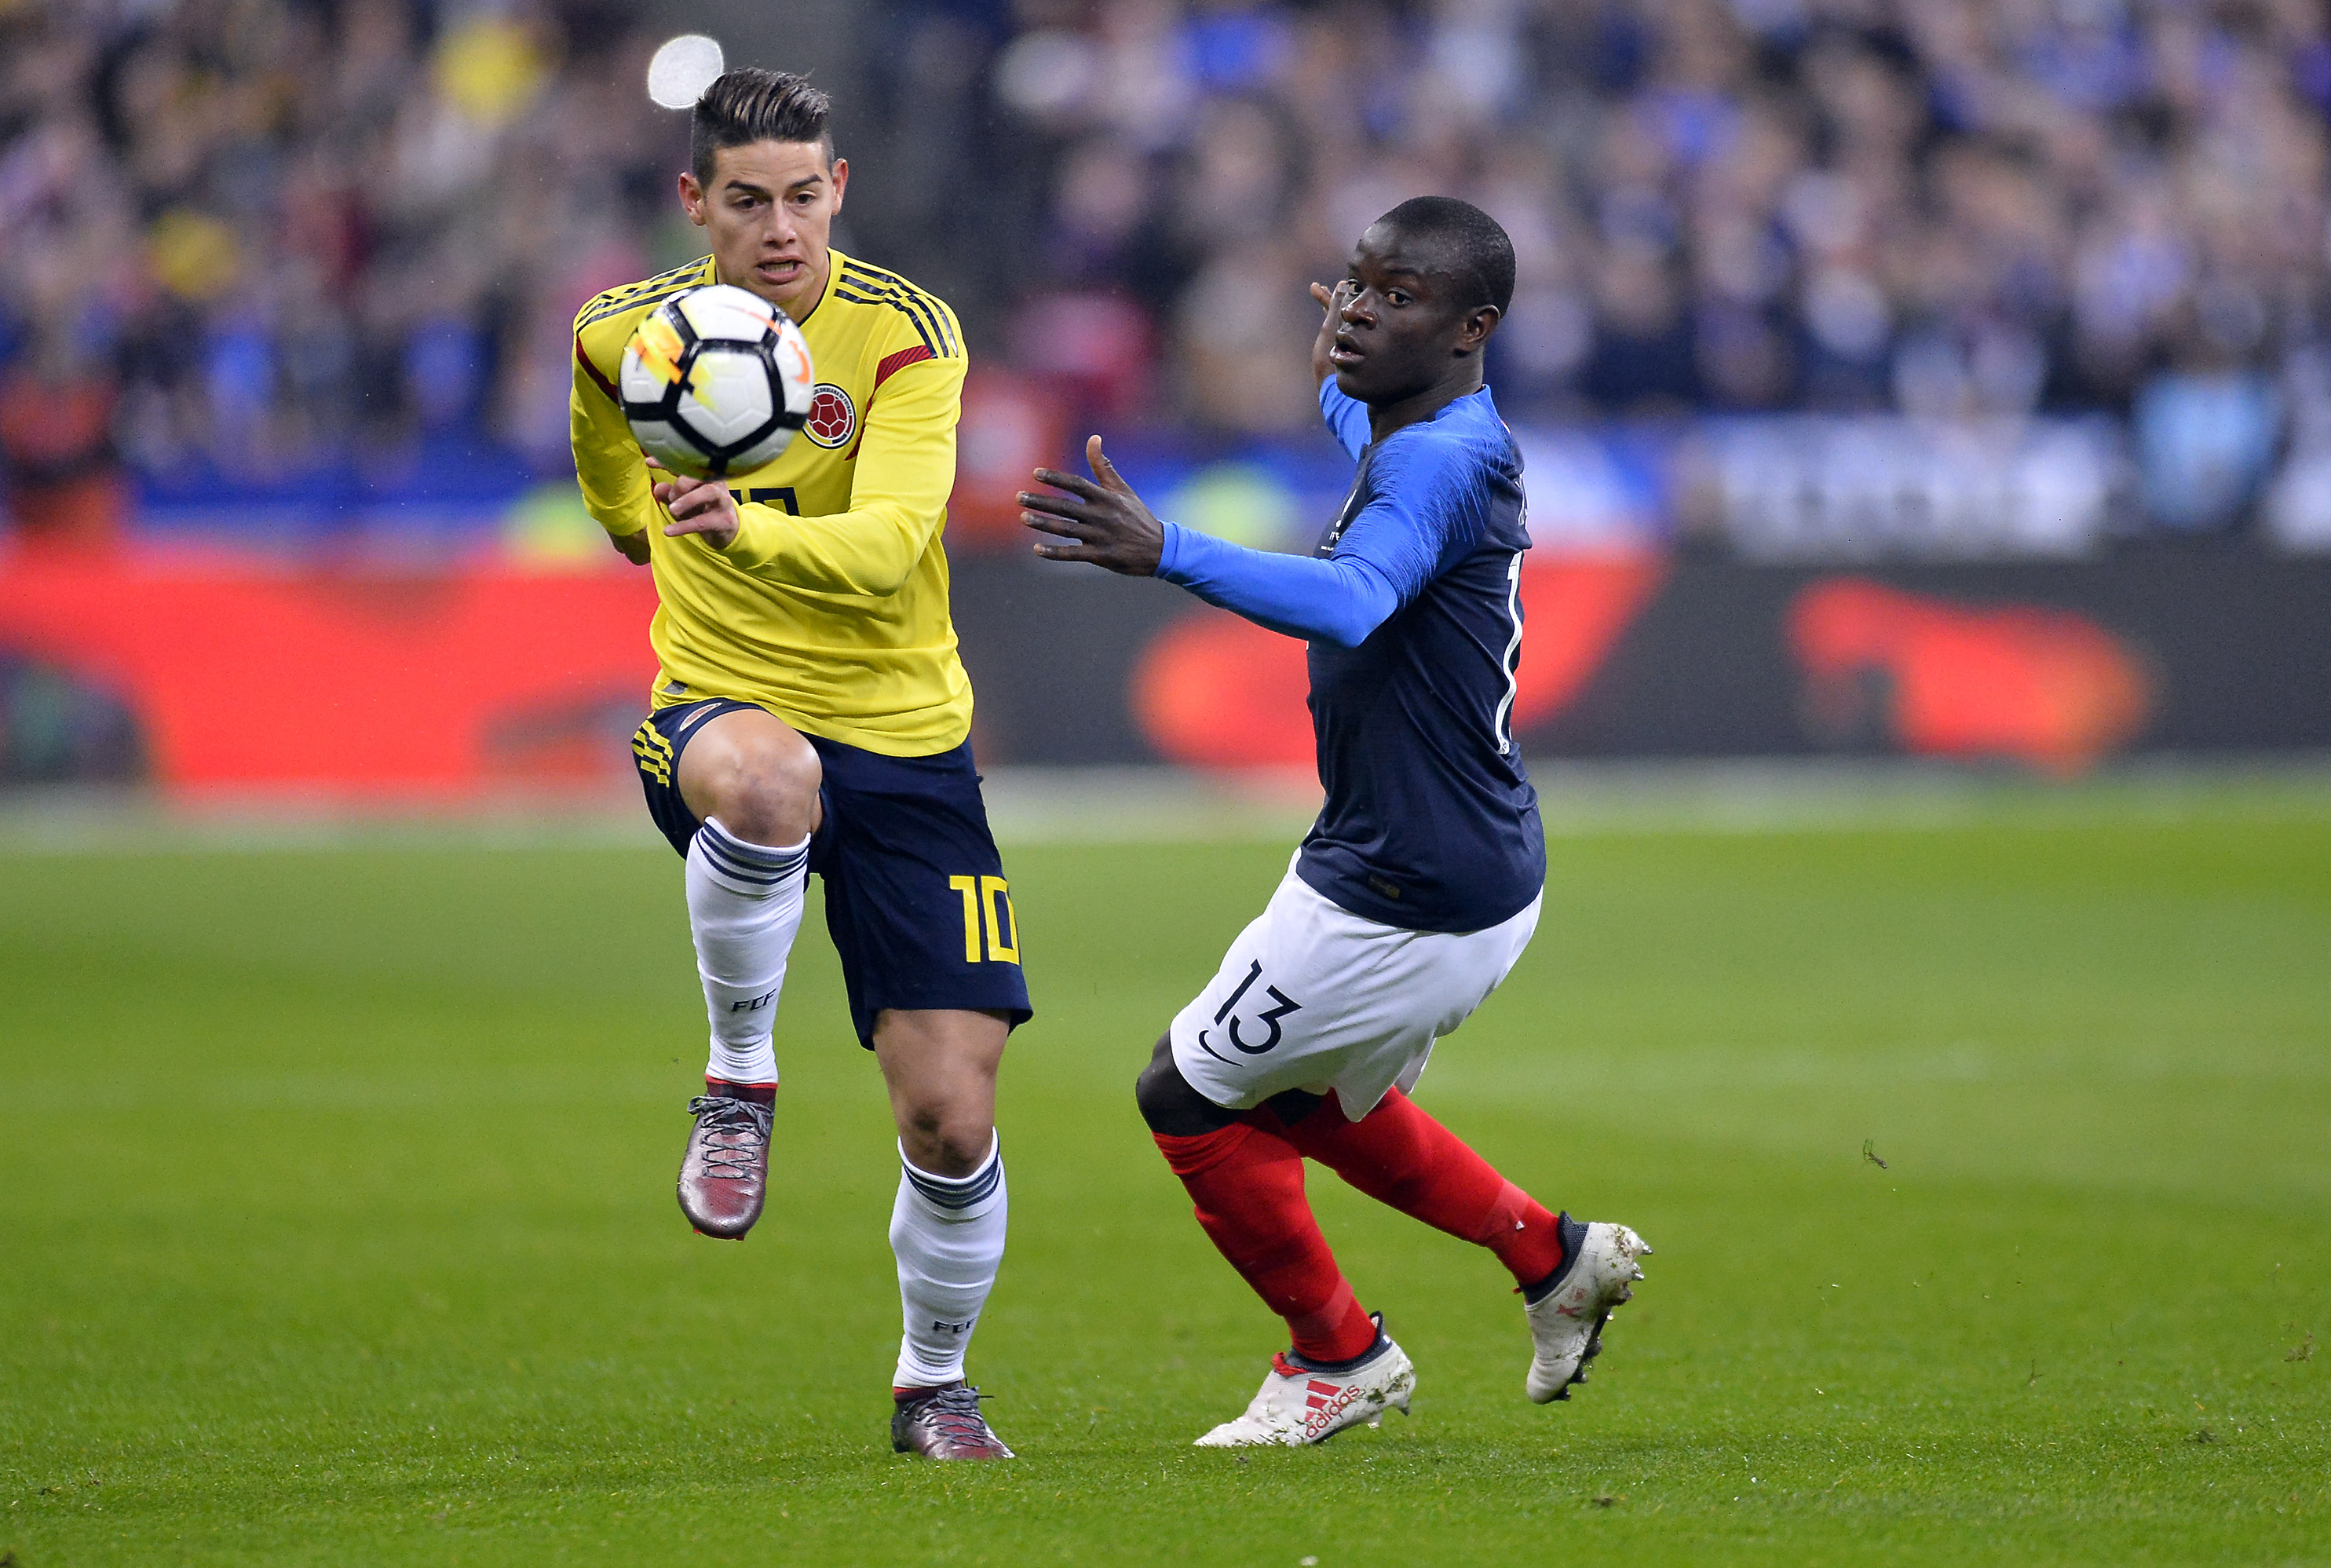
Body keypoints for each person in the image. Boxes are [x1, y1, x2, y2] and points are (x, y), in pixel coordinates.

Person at [1019, 196, 1650, 1447]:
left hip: (1413, 883)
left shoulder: (1440, 460)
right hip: (1422, 852)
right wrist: (1340, 362)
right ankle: (1554, 1256)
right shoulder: (1416, 419)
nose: (1360, 310)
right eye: (1355, 285)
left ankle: (1339, 1356)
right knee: (1309, 1100)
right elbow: (1351, 405)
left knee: (1187, 1093)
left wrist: (1169, 550)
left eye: (1398, 297)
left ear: (1473, 328)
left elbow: (1359, 600)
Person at [568, 68, 1025, 1461]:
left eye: (806, 196)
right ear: (694, 201)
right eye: (749, 200)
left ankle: (932, 1382)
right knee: (770, 786)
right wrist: (646, 535)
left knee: (951, 1117)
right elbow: (603, 469)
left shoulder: (906, 336)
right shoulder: (618, 336)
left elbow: (891, 543)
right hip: (722, 709)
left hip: (908, 737)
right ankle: (737, 1078)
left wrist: (734, 530)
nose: (782, 229)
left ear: (842, 192)